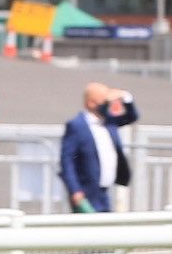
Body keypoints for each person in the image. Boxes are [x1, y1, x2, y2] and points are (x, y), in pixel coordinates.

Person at [60, 83, 139, 213]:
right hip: (85, 192)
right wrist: (75, 190)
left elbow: (132, 116)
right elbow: (67, 161)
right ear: (91, 103)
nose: (108, 104)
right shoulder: (77, 125)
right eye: (105, 101)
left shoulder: (109, 122)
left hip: (105, 190)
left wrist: (125, 96)